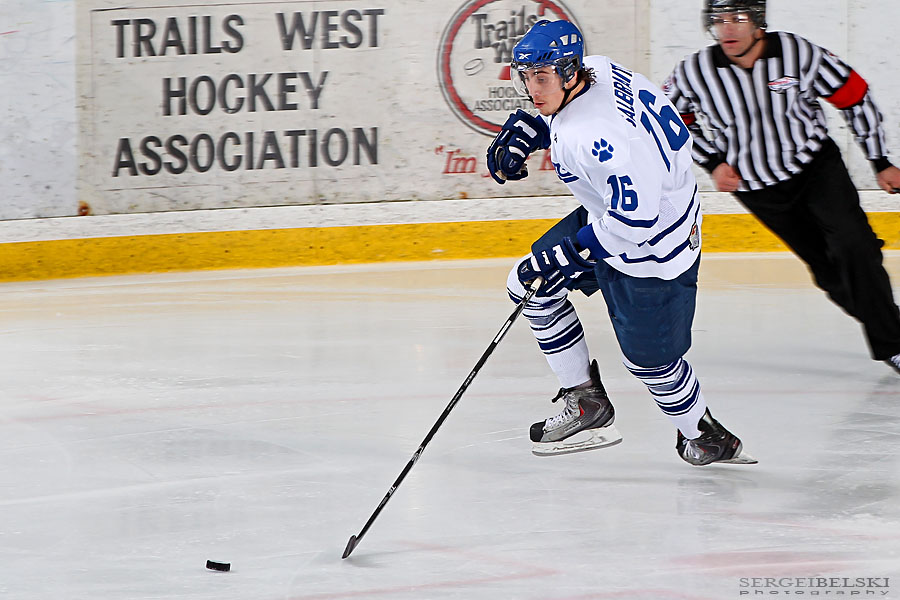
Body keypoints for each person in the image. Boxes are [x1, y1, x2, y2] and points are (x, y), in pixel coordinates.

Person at [485, 19, 755, 465]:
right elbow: (582, 119)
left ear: (569, 72)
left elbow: (636, 221)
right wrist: (535, 128)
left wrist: (569, 253)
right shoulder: (599, 68)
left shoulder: (597, 138)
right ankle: (585, 402)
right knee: (529, 284)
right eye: (526, 77)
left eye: (542, 77)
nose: (532, 88)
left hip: (654, 248)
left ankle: (704, 436)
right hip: (626, 212)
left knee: (652, 364)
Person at [663, 0, 900, 374]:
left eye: (738, 19)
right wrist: (713, 161)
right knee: (828, 272)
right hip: (758, 188)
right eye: (720, 20)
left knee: (853, 246)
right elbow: (670, 119)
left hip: (816, 169)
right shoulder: (695, 71)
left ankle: (893, 343)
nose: (727, 28)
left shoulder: (796, 52)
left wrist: (880, 161)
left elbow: (854, 95)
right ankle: (887, 318)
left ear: (758, 21)